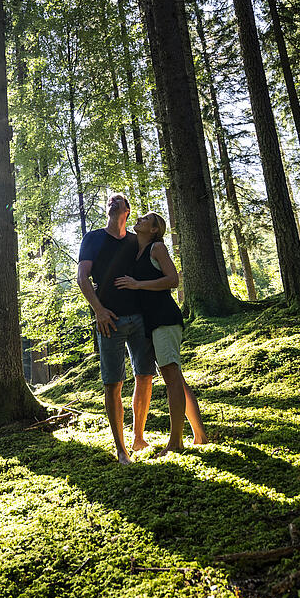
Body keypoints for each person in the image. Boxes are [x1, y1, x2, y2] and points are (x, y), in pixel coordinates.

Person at [115, 212, 208, 453]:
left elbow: (173, 280)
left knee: (171, 377)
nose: (139, 219)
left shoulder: (157, 248)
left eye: (145, 219)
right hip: (148, 323)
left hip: (165, 318)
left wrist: (138, 284)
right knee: (175, 377)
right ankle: (200, 435)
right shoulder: (135, 252)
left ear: (155, 229)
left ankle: (176, 442)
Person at [77, 193, 154, 465]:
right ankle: (121, 449)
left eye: (118, 200)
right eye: (110, 200)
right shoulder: (93, 238)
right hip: (109, 320)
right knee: (113, 383)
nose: (113, 202)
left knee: (145, 376)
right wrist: (98, 310)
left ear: (128, 211)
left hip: (140, 319)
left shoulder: (136, 241)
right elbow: (82, 277)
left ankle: (138, 437)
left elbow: (152, 269)